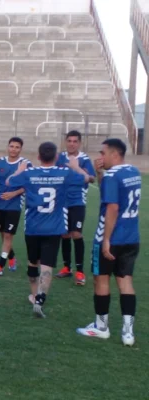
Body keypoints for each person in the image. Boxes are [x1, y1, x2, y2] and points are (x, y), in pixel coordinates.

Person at [7, 142, 91, 318]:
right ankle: (40, 299)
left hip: (33, 228)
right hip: (54, 228)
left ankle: (35, 295)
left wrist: (19, 170)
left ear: (38, 157)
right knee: (47, 265)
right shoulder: (64, 173)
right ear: (55, 158)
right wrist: (76, 167)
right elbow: (86, 179)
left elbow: (9, 182)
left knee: (33, 263)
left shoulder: (29, 173)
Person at [76, 139, 140, 346]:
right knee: (125, 280)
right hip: (132, 237)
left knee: (101, 280)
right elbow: (111, 192)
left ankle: (101, 326)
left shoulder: (113, 176)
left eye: (103, 153)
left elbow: (112, 207)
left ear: (114, 154)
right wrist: (101, 173)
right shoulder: (133, 171)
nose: (100, 157)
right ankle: (128, 332)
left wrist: (106, 241)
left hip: (111, 237)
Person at [55, 131, 96, 285]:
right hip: (62, 202)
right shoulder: (60, 158)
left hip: (78, 202)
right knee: (64, 235)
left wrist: (76, 168)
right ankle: (67, 268)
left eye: (75, 141)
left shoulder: (84, 159)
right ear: (66, 142)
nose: (72, 143)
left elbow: (91, 178)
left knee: (77, 234)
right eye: (69, 141)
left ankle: (80, 272)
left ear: (79, 143)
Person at [0, 137, 31, 277]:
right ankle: (11, 257)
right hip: (0, 204)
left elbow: (28, 185)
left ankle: (0, 266)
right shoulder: (0, 162)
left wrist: (14, 193)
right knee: (2, 234)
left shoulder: (26, 164)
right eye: (12, 146)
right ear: (8, 147)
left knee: (7, 235)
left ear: (21, 149)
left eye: (17, 147)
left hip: (14, 205)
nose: (14, 149)